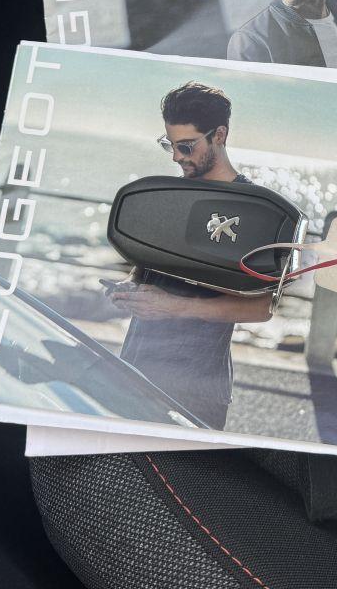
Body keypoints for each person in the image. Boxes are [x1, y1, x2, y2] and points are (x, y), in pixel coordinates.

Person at [110, 82, 272, 429]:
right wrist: (130, 286)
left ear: (219, 136)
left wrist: (174, 306)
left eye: (185, 146)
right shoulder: (171, 195)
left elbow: (261, 307)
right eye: (170, 144)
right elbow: (149, 269)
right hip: (134, 372)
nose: (176, 157)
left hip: (195, 392)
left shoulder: (253, 207)